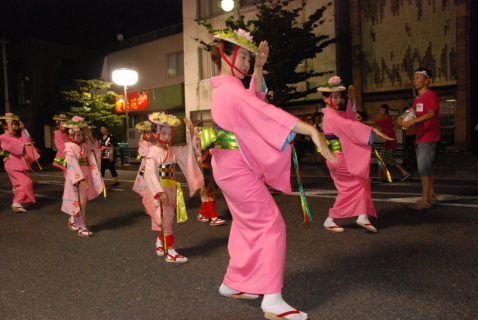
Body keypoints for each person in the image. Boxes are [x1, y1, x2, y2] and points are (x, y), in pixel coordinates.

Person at [207, 28, 336, 320]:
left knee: (245, 225)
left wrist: (261, 67)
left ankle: (234, 282)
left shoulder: (227, 87)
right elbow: (263, 111)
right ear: (225, 55)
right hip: (236, 168)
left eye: (249, 60)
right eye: (242, 57)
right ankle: (272, 300)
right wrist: (310, 129)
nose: (246, 64)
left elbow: (253, 101)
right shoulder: (230, 89)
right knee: (270, 225)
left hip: (230, 166)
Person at [318, 76, 393, 233]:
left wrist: (352, 99)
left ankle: (349, 218)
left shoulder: (335, 114)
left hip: (337, 157)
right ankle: (353, 217)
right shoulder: (332, 116)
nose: (338, 100)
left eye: (340, 96)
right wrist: (372, 129)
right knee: (358, 185)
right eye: (334, 96)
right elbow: (350, 124)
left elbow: (350, 117)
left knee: (353, 187)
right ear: (325, 98)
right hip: (339, 157)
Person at [142, 112, 203, 263]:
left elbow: (189, 150)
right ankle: (171, 252)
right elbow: (150, 174)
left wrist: (191, 131)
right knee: (167, 220)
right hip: (162, 190)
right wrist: (160, 192)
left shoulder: (171, 151)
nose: (167, 136)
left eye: (169, 133)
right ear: (156, 133)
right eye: (163, 133)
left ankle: (159, 241)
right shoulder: (154, 152)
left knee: (166, 218)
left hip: (171, 189)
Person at [398, 67, 441, 209]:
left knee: (424, 168)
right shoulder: (418, 98)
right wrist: (402, 119)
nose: (414, 80)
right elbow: (412, 113)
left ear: (427, 80)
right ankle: (432, 195)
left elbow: (431, 113)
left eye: (418, 78)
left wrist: (411, 122)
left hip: (429, 136)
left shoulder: (430, 95)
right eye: (414, 78)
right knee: (427, 167)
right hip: (421, 136)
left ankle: (425, 200)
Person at [61, 116, 104, 237]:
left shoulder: (84, 145)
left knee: (82, 202)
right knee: (78, 202)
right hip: (76, 178)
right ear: (71, 135)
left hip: (85, 174)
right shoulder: (69, 146)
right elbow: (72, 162)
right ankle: (82, 227)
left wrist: (89, 135)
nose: (79, 136)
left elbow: (95, 148)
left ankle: (74, 220)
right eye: (77, 134)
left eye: (81, 134)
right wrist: (80, 179)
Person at [0, 113, 40, 212]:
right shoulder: (3, 136)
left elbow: (27, 139)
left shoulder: (15, 137)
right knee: (26, 183)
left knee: (21, 183)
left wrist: (23, 129)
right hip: (11, 163)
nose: (14, 127)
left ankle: (17, 201)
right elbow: (17, 144)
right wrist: (24, 144)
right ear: (5, 125)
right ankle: (17, 202)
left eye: (15, 124)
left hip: (16, 163)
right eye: (12, 124)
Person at [364, 104, 411, 182]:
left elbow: (374, 122)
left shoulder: (386, 119)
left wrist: (361, 121)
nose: (380, 112)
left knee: (381, 159)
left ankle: (380, 177)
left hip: (389, 142)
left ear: (386, 111)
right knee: (390, 160)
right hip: (390, 142)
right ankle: (404, 172)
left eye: (381, 110)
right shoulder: (388, 119)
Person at [195, 123, 226, 226]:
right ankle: (213, 217)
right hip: (204, 170)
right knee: (208, 194)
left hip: (208, 170)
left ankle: (202, 214)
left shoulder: (207, 147)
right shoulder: (202, 147)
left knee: (209, 194)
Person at [132, 121, 154, 197]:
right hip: (146, 164)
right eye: (147, 133)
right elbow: (145, 153)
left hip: (153, 164)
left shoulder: (152, 142)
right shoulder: (143, 143)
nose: (150, 134)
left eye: (151, 132)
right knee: (146, 180)